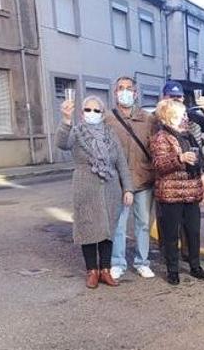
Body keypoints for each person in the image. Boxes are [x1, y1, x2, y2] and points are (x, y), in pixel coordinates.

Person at [56, 96, 134, 288]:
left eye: (96, 110)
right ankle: (92, 271)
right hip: (85, 187)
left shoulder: (110, 133)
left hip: (110, 187)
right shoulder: (76, 131)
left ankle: (105, 270)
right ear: (82, 113)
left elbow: (121, 163)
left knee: (108, 230)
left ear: (102, 113)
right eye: (87, 110)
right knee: (88, 228)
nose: (92, 113)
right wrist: (66, 119)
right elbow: (62, 143)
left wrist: (128, 188)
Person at [150, 99, 204, 285]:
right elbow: (159, 165)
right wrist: (180, 158)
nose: (185, 117)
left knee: (193, 232)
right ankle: (173, 270)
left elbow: (199, 163)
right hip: (171, 194)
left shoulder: (189, 135)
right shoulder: (161, 137)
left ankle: (195, 266)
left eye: (184, 114)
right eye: (181, 114)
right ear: (169, 116)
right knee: (171, 235)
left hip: (191, 192)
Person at [105, 77, 157, 280]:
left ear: (136, 94)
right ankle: (117, 262)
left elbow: (156, 147)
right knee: (118, 224)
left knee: (143, 223)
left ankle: (142, 262)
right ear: (115, 92)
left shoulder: (147, 119)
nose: (124, 92)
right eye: (120, 88)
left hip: (143, 179)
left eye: (129, 89)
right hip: (118, 182)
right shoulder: (107, 118)